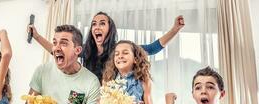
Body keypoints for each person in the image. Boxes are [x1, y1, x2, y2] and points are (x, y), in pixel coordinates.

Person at [29, 12, 185, 81]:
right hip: (88, 98)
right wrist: (36, 36)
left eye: (102, 23)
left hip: (109, 102)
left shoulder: (119, 50)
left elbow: (152, 48)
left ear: (110, 29)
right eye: (94, 24)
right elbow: (58, 51)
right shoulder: (85, 50)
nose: (97, 27)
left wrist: (174, 29)